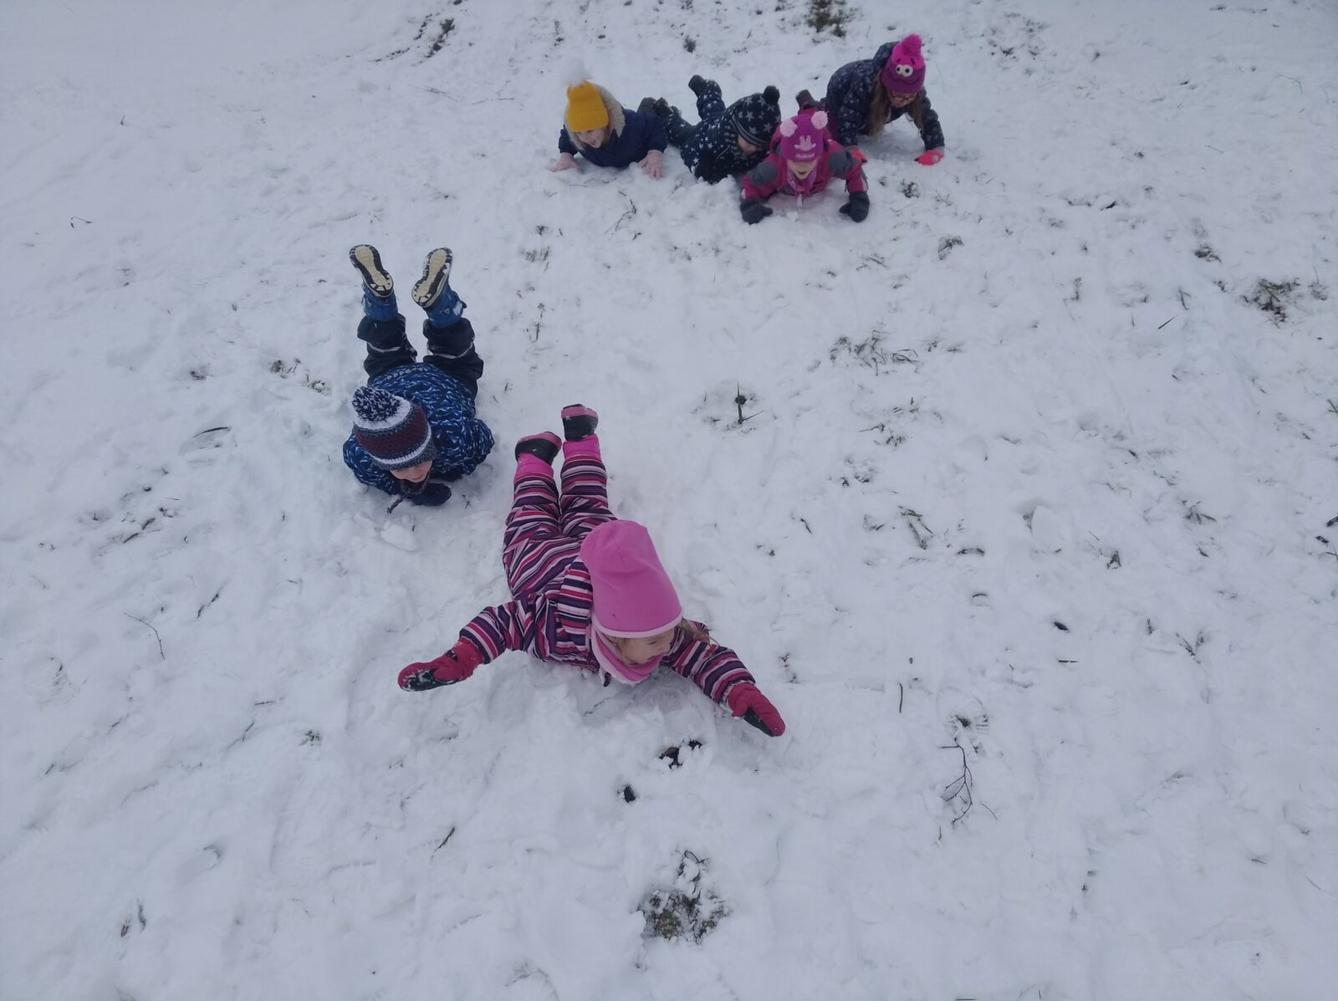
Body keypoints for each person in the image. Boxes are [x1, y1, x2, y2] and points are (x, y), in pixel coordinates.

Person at [396, 406, 787, 737]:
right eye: (656, 641)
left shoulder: (658, 630)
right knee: (531, 511)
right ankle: (533, 459)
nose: (667, 646)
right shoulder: (554, 626)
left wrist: (740, 691)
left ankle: (581, 442)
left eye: (667, 635)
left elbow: (703, 657)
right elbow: (502, 623)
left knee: (588, 502)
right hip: (537, 560)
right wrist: (463, 657)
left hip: (599, 553)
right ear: (616, 637)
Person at [342, 245, 494, 507]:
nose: (414, 473)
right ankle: (388, 304)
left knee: (458, 359)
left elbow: (482, 439)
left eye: (421, 459)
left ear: (430, 439)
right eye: (401, 469)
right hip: (390, 382)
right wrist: (418, 486)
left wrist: (452, 469)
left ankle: (439, 307)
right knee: (384, 351)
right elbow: (356, 458)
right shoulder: (363, 454)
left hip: (448, 382)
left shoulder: (452, 435)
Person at [804, 33, 945, 165]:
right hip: (841, 93)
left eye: (909, 97)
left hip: (869, 105)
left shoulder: (913, 92)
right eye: (897, 94)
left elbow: (927, 117)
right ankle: (810, 105)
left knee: (868, 126)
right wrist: (850, 147)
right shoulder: (865, 84)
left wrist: (935, 147)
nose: (902, 100)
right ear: (887, 85)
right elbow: (848, 116)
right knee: (831, 131)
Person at [738, 106, 870, 224]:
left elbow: (854, 168)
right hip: (789, 133)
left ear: (819, 156)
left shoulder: (833, 158)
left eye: (809, 161)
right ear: (786, 157)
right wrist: (749, 205)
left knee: (814, 111)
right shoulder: (774, 167)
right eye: (795, 161)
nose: (802, 166)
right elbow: (750, 183)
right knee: (809, 113)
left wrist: (859, 197)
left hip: (817, 133)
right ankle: (806, 105)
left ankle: (808, 105)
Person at [644, 77, 781, 184]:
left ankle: (708, 90)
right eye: (750, 143)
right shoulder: (716, 144)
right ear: (737, 130)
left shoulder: (761, 142)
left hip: (720, 119)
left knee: (714, 109)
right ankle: (666, 113)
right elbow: (689, 151)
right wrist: (700, 168)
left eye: (760, 145)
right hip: (700, 135)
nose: (754, 149)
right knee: (680, 132)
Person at [550, 80, 668, 178]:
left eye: (590, 131)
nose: (584, 137)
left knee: (650, 111)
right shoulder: (578, 138)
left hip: (639, 124)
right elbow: (567, 134)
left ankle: (649, 103)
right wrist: (566, 155)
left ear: (604, 124)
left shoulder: (631, 126)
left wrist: (655, 152)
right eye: (579, 133)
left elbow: (655, 125)